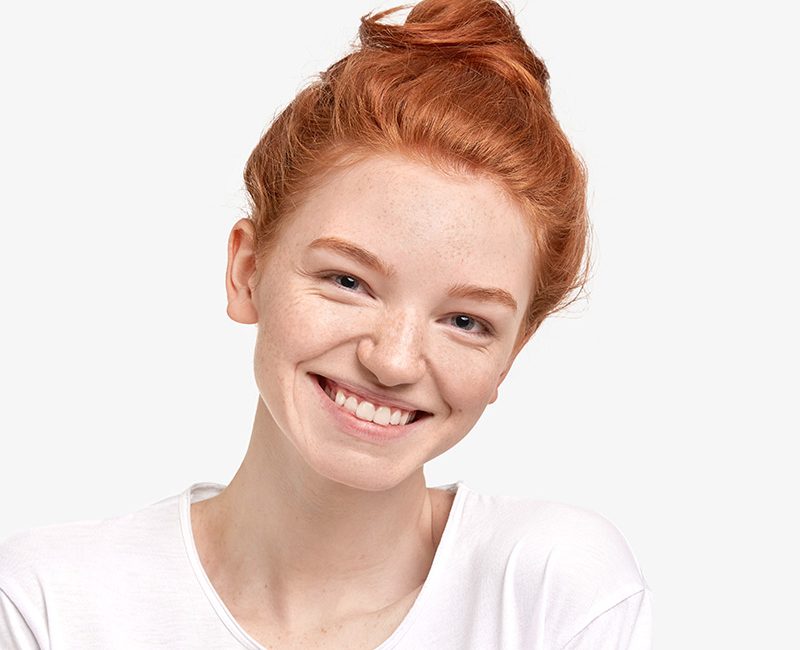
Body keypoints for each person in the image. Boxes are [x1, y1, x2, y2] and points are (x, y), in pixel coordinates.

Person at [0, 0, 652, 647]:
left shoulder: (552, 593)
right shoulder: (50, 604)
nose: (393, 361)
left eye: (465, 321)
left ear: (512, 354)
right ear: (247, 270)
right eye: (348, 282)